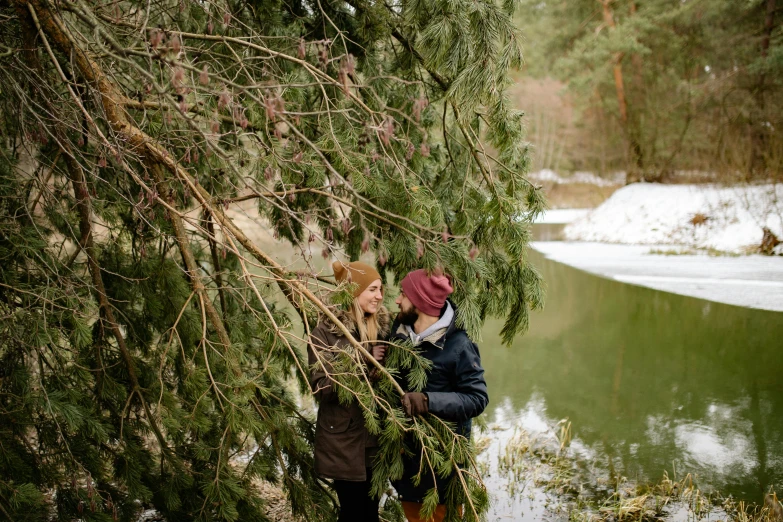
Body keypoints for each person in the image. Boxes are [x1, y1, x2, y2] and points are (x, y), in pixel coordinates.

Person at [391, 269, 488, 522]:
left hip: (441, 473)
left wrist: (427, 401)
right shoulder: (399, 333)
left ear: (421, 303)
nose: (397, 300)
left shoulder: (459, 346)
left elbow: (477, 398)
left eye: (403, 294)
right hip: (408, 464)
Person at [308, 261, 389, 522]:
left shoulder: (384, 330)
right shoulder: (325, 332)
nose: (379, 296)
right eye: (373, 289)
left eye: (381, 290)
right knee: (353, 513)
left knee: (370, 513)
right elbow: (322, 387)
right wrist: (361, 363)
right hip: (344, 442)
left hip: (376, 440)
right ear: (354, 292)